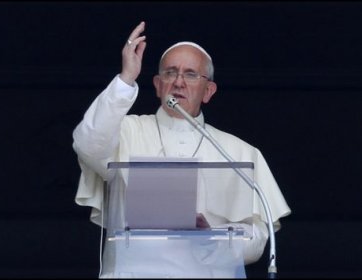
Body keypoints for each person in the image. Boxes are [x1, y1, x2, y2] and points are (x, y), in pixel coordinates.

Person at [72, 21, 291, 278]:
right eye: (170, 73)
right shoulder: (126, 131)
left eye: (190, 74)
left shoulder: (238, 151)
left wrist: (212, 237)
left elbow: (257, 239)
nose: (178, 82)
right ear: (157, 84)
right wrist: (126, 78)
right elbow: (88, 144)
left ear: (208, 91)